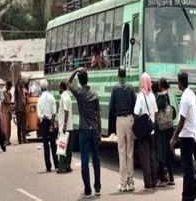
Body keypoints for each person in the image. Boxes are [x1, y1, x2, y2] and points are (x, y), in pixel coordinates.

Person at [67, 68, 101, 198]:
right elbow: (98, 115)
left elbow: (68, 83)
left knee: (85, 160)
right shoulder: (94, 94)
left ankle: (87, 190)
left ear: (80, 81)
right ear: (88, 79)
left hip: (84, 130)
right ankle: (97, 187)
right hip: (94, 130)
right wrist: (98, 133)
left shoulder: (79, 93)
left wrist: (75, 70)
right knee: (96, 160)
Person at [170, 72, 196, 201]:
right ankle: (193, 193)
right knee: (190, 167)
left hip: (186, 136)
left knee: (187, 168)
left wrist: (173, 138)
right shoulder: (191, 94)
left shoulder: (185, 98)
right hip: (193, 134)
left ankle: (187, 196)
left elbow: (181, 121)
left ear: (180, 83)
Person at [108, 66, 137, 192]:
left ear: (118, 76)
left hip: (120, 120)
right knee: (130, 152)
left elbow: (111, 107)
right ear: (126, 75)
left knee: (121, 152)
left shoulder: (115, 89)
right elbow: (135, 105)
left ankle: (123, 183)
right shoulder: (131, 88)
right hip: (130, 119)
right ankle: (131, 182)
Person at [134, 72, 159, 190]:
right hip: (152, 130)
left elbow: (136, 112)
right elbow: (156, 112)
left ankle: (148, 183)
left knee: (144, 157)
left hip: (143, 132)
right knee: (152, 156)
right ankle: (154, 181)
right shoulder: (153, 96)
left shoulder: (140, 96)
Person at [155, 78, 175, 187]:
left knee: (162, 153)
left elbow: (159, 107)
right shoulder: (168, 95)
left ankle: (163, 178)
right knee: (168, 153)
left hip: (162, 128)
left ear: (161, 85)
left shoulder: (162, 96)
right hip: (169, 127)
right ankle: (170, 177)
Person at [37, 79, 58, 172]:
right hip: (51, 122)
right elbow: (54, 113)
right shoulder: (51, 97)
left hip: (43, 123)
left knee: (46, 144)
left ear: (41, 88)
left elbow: (38, 114)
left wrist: (43, 118)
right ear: (47, 87)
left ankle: (48, 166)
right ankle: (56, 164)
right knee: (53, 144)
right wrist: (52, 125)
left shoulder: (39, 99)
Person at [57, 81, 74, 174]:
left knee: (62, 147)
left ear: (61, 88)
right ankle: (68, 166)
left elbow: (66, 111)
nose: (58, 89)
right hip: (69, 127)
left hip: (65, 127)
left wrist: (64, 125)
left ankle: (61, 167)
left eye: (59, 88)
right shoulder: (68, 96)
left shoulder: (64, 96)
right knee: (68, 149)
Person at [15, 76, 27, 144]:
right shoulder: (17, 90)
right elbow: (17, 87)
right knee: (19, 125)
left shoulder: (23, 90)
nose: (22, 83)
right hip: (18, 110)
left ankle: (24, 139)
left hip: (23, 110)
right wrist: (18, 81)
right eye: (20, 82)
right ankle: (20, 140)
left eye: (22, 82)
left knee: (24, 126)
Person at [1, 81, 13, 145]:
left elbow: (10, 101)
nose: (10, 88)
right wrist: (9, 103)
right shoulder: (3, 92)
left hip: (9, 111)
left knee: (9, 127)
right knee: (5, 127)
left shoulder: (9, 93)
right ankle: (5, 140)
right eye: (10, 87)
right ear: (7, 86)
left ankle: (8, 140)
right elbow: (3, 101)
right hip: (4, 111)